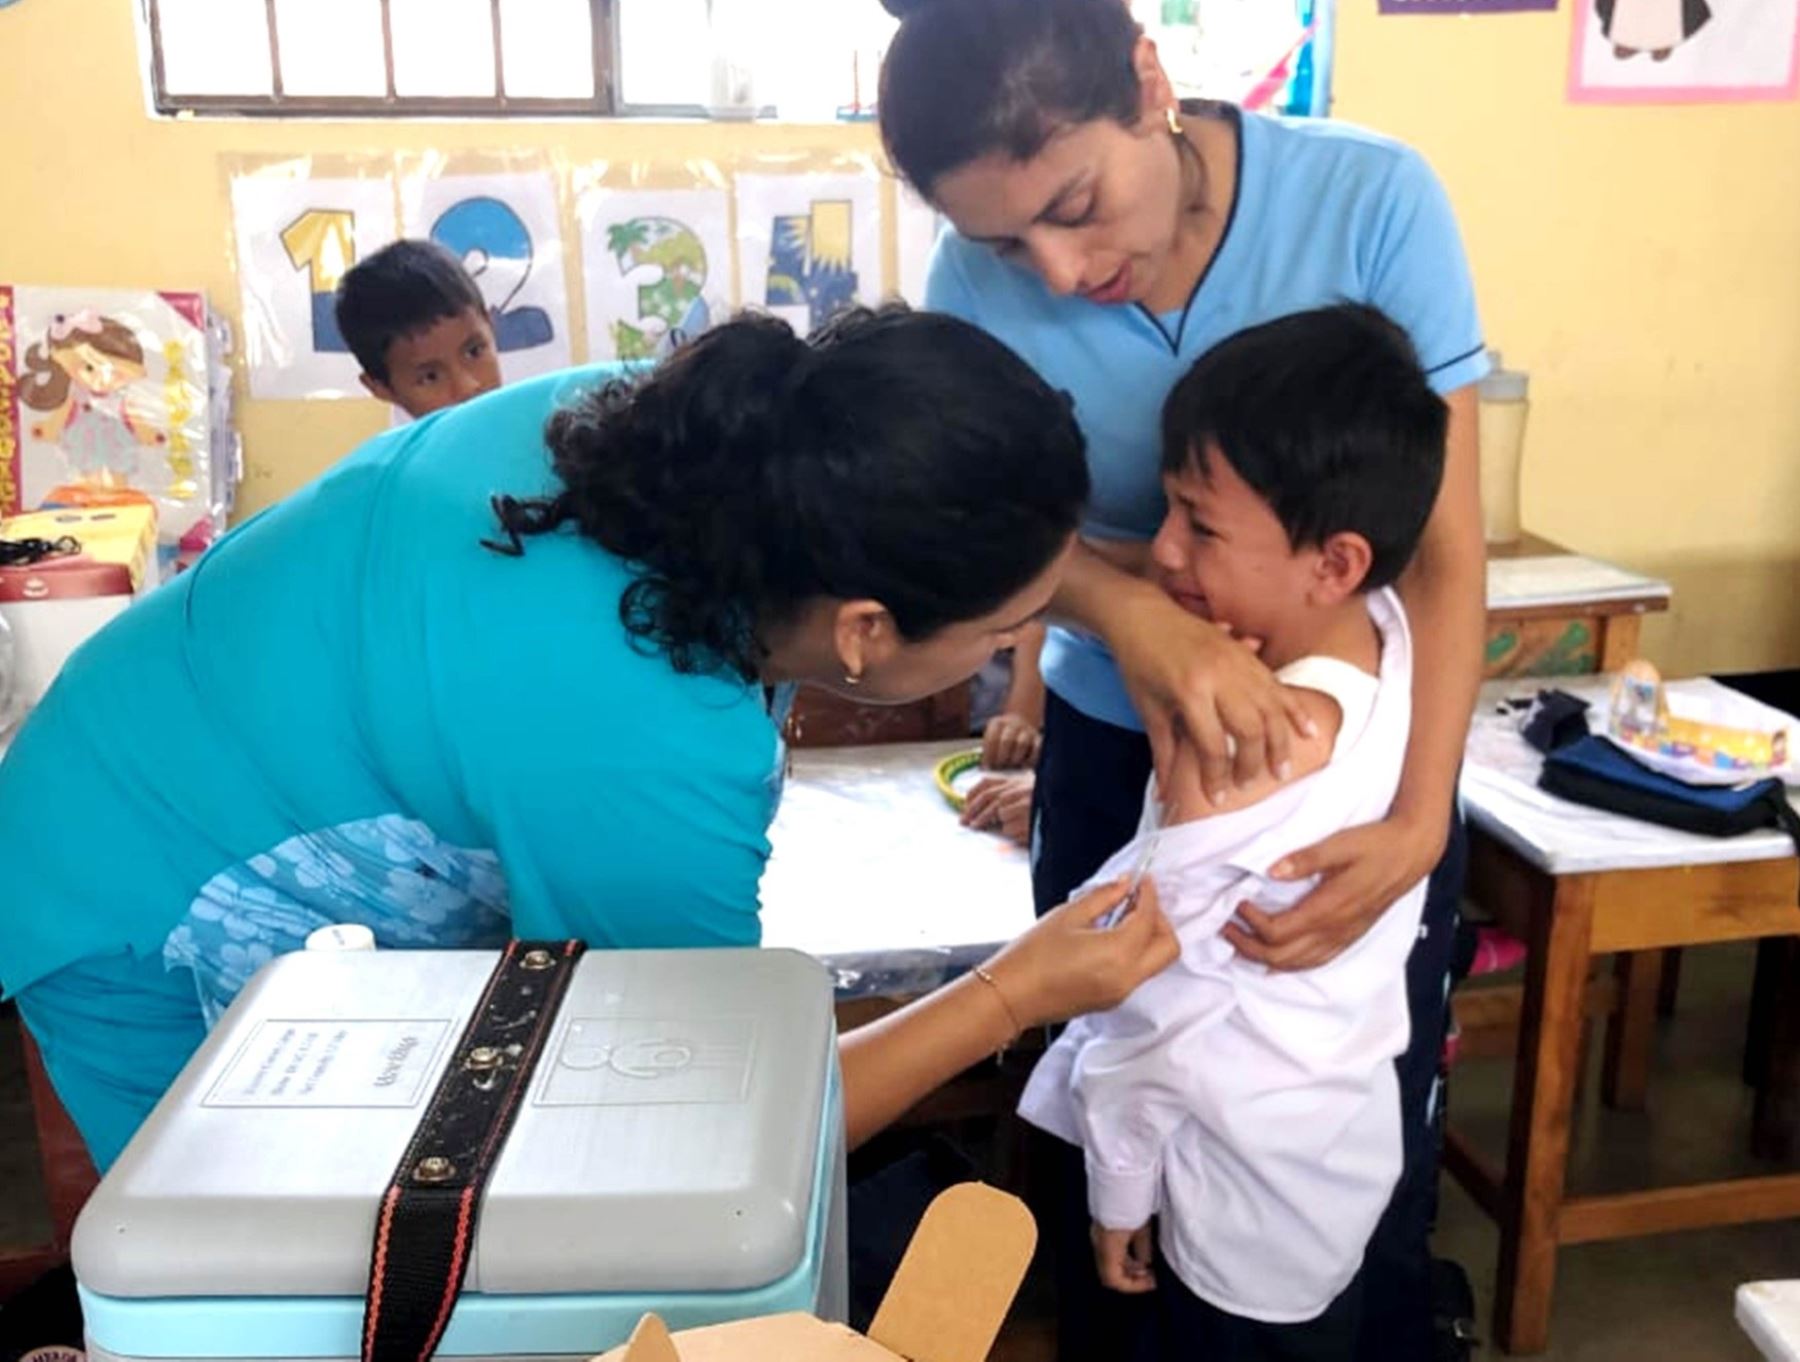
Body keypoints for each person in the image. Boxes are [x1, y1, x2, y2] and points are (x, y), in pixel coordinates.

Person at [0, 306, 1177, 1172]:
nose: (1016, 640)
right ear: (865, 631)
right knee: (253, 1277)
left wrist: (1139, 614)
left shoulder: (691, 435)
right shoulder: (635, 738)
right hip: (136, 883)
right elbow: (724, 1121)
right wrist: (1018, 991)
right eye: (1006, 628)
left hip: (180, 717)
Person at [878, 3, 1486, 1356]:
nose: (1055, 266)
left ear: (1150, 81)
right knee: (1117, 1135)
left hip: (1372, 782)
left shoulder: (1370, 198)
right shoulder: (971, 288)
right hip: (1120, 745)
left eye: (1076, 205)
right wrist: (1140, 621)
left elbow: (1442, 545)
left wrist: (1423, 816)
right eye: (1002, 242)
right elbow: (1003, 528)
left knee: (1332, 1120)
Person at [1019, 305, 1447, 1360]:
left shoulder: (1251, 746)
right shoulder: (1391, 643)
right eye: (1168, 508)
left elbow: (1142, 989)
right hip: (1331, 1161)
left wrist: (1118, 1185)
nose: (1164, 553)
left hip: (1222, 1185)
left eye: (1199, 526)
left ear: (1335, 562)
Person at [334, 238, 503, 419]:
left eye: (474, 352)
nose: (468, 387)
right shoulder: (394, 448)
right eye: (430, 377)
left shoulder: (536, 430)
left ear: (489, 324)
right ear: (381, 389)